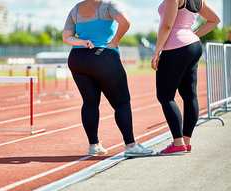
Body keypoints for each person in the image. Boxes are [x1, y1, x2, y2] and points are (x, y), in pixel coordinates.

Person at [63, 0, 153, 157]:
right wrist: (117, 39)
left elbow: (67, 37)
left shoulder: (75, 9)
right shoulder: (108, 4)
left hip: (77, 58)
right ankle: (131, 145)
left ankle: (93, 145)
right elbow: (125, 21)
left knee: (89, 103)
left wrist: (81, 41)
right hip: (102, 56)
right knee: (122, 103)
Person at [151, 0, 220, 155]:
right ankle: (186, 142)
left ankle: (178, 143)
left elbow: (167, 25)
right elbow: (215, 19)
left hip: (175, 47)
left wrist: (157, 51)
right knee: (189, 95)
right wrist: (192, 35)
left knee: (165, 96)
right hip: (193, 46)